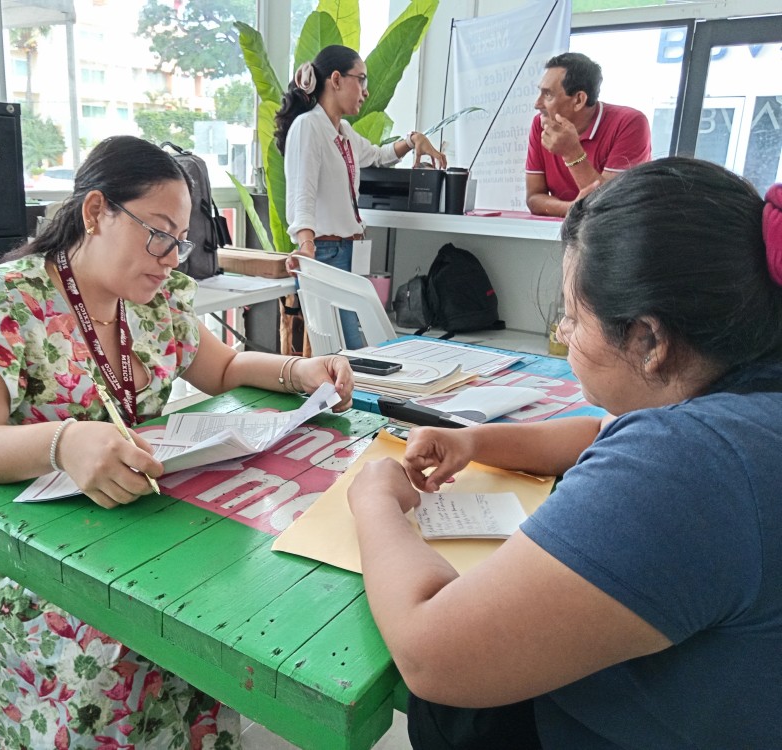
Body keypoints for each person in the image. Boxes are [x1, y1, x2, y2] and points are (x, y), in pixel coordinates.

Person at [0, 135, 354, 750]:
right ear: (96, 213)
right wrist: (62, 443)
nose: (172, 257)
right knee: (113, 644)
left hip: (118, 520)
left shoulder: (153, 300)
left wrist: (296, 371)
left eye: (181, 240)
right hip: (8, 546)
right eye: (159, 233)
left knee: (214, 598)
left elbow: (220, 368)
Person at [348, 157, 782, 749]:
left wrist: (374, 499)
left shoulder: (692, 462)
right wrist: (473, 440)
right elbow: (596, 434)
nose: (564, 334)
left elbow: (430, 655)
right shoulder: (748, 394)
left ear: (650, 341)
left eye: (573, 318)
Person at [274, 44, 446, 350]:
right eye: (361, 80)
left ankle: (348, 396)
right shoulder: (308, 127)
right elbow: (302, 194)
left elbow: (379, 156)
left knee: (352, 346)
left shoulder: (343, 132)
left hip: (346, 251)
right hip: (324, 253)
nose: (365, 91)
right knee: (347, 349)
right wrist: (306, 245)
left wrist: (413, 140)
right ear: (337, 80)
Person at [525, 52, 651, 217]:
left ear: (578, 100)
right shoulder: (541, 124)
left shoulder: (630, 123)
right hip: (565, 231)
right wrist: (572, 209)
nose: (537, 104)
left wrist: (571, 153)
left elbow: (610, 207)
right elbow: (534, 198)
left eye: (548, 94)